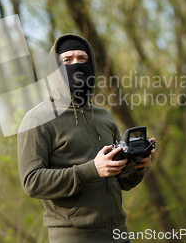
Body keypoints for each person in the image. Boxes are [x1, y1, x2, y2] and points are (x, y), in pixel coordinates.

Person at [17, 34, 155, 243]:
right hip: (75, 238)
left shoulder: (104, 117)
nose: (76, 65)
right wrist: (91, 170)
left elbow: (122, 182)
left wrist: (137, 166)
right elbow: (32, 182)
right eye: (67, 60)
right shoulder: (38, 119)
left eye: (82, 59)